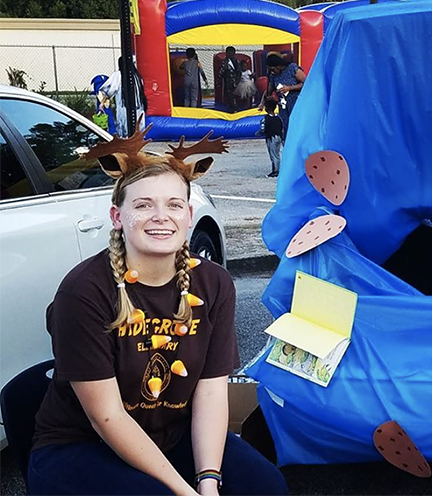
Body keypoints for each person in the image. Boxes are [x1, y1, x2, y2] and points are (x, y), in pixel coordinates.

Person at [27, 128, 289, 496]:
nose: (160, 216)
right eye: (143, 205)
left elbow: (211, 392)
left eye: (174, 205)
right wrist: (182, 491)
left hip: (173, 435)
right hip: (81, 444)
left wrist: (208, 480)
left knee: (266, 486)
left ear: (189, 213)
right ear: (118, 216)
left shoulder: (213, 283)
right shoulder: (84, 291)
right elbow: (107, 416)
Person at [260, 53, 306, 141]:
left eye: (273, 69)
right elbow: (268, 91)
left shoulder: (292, 69)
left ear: (279, 66)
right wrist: (262, 103)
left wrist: (289, 88)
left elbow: (306, 83)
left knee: (296, 124)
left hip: (296, 103)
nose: (272, 72)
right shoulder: (273, 76)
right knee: (285, 126)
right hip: (283, 106)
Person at [99, 57, 148, 137]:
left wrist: (102, 103)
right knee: (137, 134)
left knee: (125, 134)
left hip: (124, 109)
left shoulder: (118, 75)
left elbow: (109, 90)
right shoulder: (137, 77)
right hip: (139, 109)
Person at [256, 98, 283, 178]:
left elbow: (263, 128)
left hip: (271, 138)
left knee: (273, 154)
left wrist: (259, 133)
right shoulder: (278, 118)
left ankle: (275, 171)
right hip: (278, 137)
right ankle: (276, 169)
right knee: (277, 154)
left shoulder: (266, 119)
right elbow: (282, 127)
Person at [219, 46, 241, 113]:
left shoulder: (226, 61)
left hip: (229, 81)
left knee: (230, 95)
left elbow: (222, 71)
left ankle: (234, 108)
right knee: (231, 95)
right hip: (234, 80)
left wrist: (219, 79)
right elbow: (239, 72)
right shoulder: (236, 61)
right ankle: (234, 108)